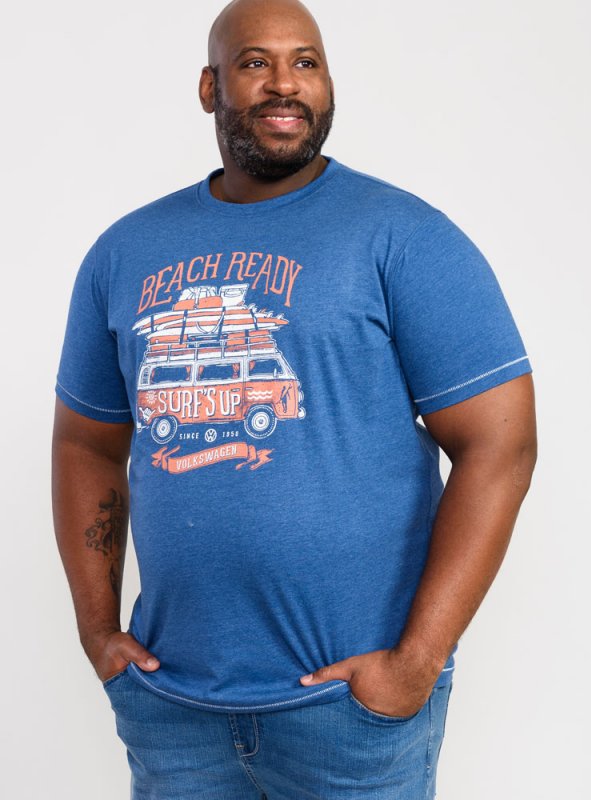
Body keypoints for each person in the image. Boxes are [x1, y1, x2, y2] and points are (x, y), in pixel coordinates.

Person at [51, 0, 537, 797]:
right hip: (173, 707)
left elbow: (501, 443)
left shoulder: (404, 235)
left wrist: (415, 663)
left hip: (350, 711)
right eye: (255, 62)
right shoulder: (123, 252)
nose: (285, 84)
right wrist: (98, 632)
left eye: (306, 62)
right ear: (209, 87)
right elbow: (86, 443)